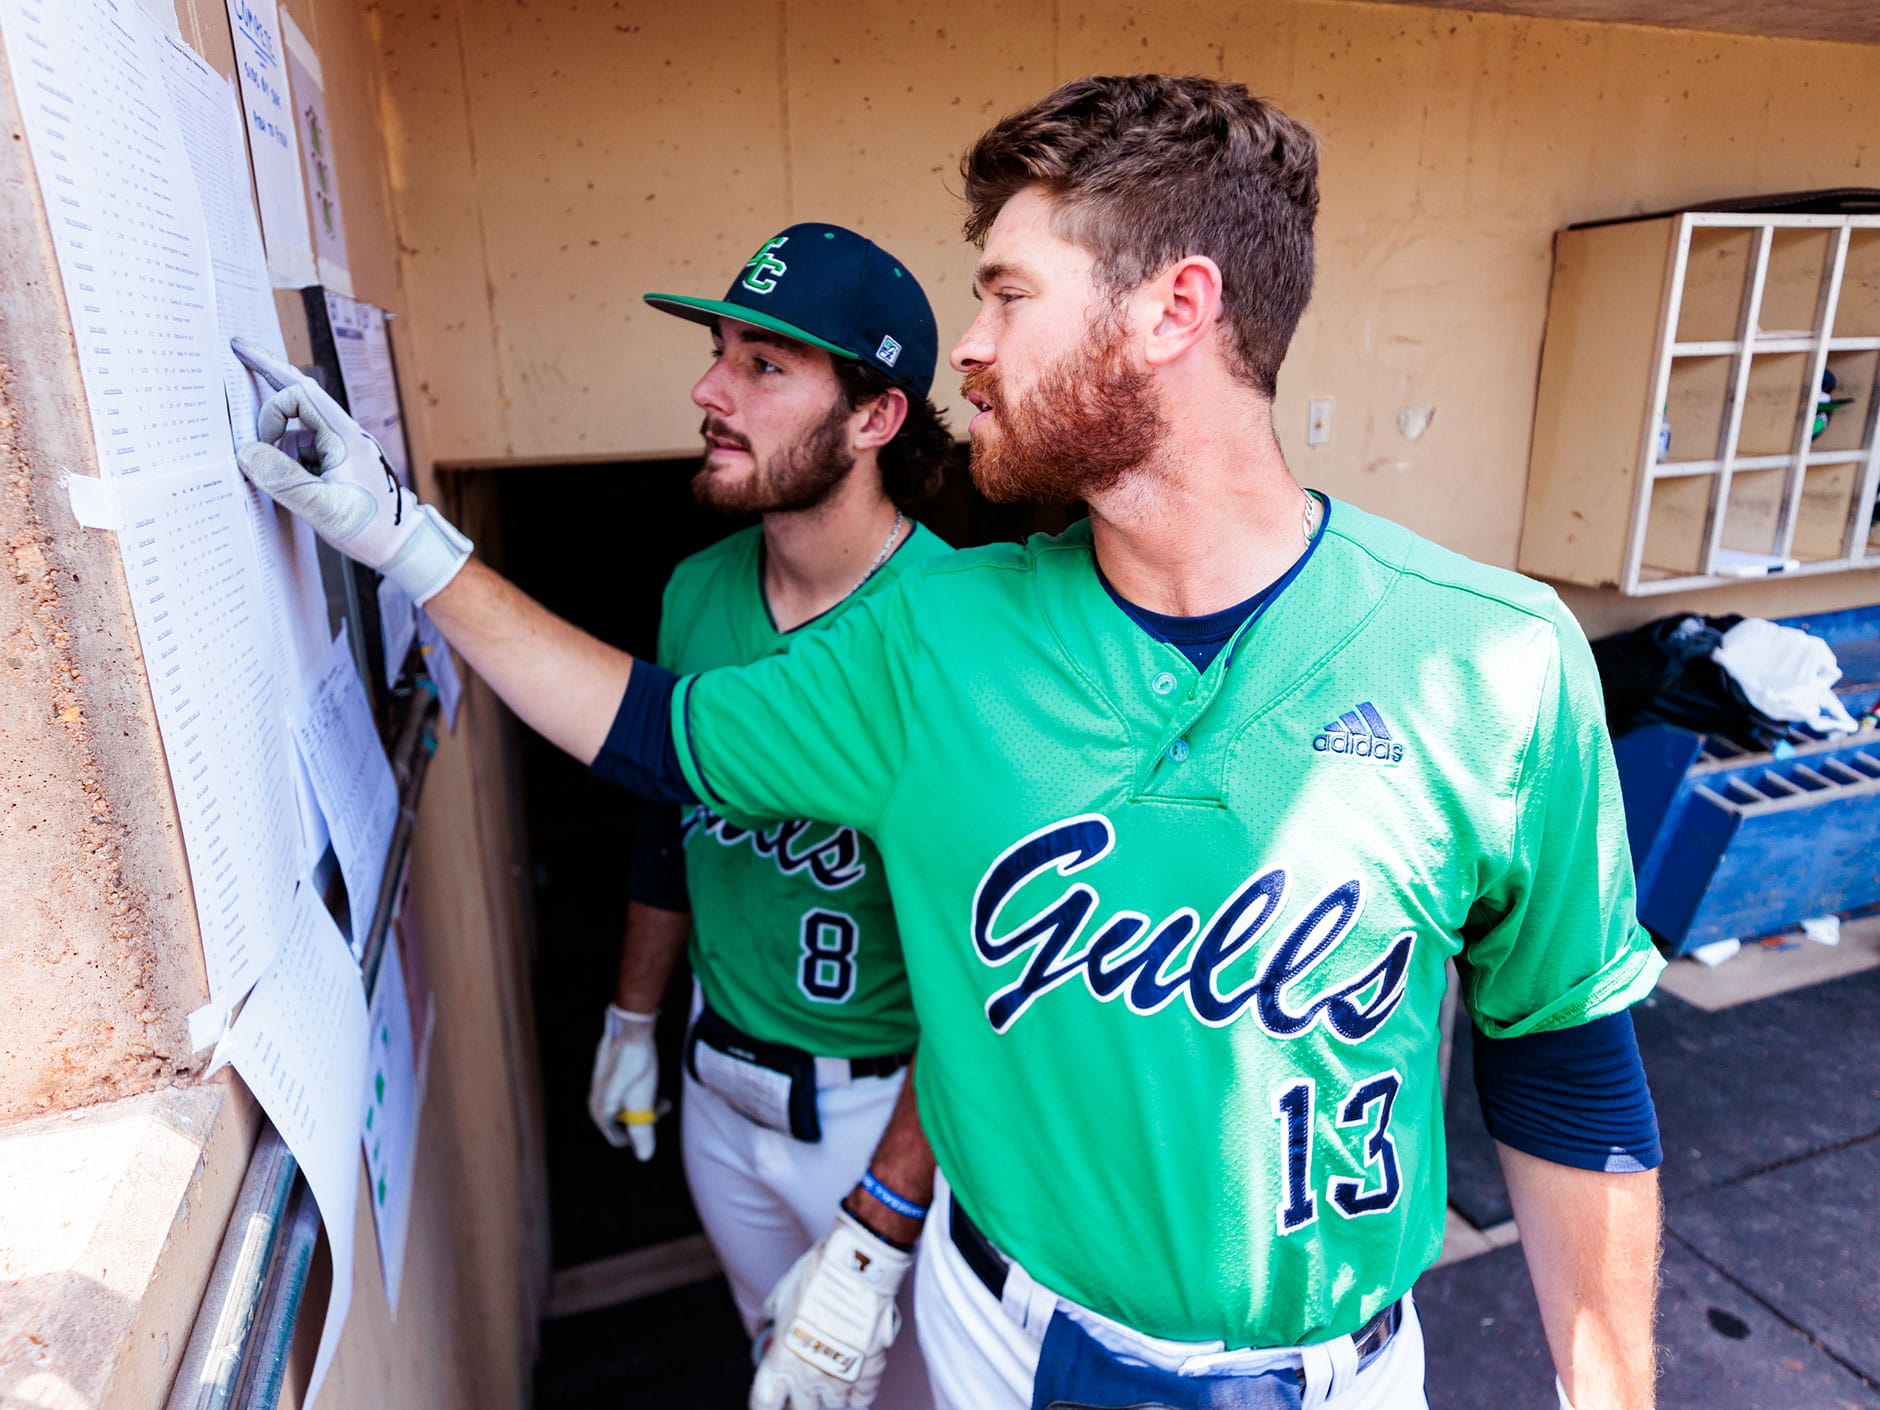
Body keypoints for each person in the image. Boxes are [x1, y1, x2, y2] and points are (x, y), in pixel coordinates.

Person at [233, 74, 1665, 1410]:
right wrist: (399, 537)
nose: (968, 346)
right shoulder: (938, 635)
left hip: (1337, 1371)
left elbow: (1562, 1063)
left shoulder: (1493, 657)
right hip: (997, 1331)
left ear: (1175, 310)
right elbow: (657, 737)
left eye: (1007, 294)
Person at [584, 223, 951, 1410]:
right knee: (774, 1363)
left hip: (882, 1110)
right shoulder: (696, 589)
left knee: (899, 1394)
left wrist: (886, 1208)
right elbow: (668, 824)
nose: (709, 390)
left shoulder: (959, 625)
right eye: (718, 352)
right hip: (717, 1083)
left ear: (874, 416)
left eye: (764, 365)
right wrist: (632, 1014)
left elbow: (995, 969)